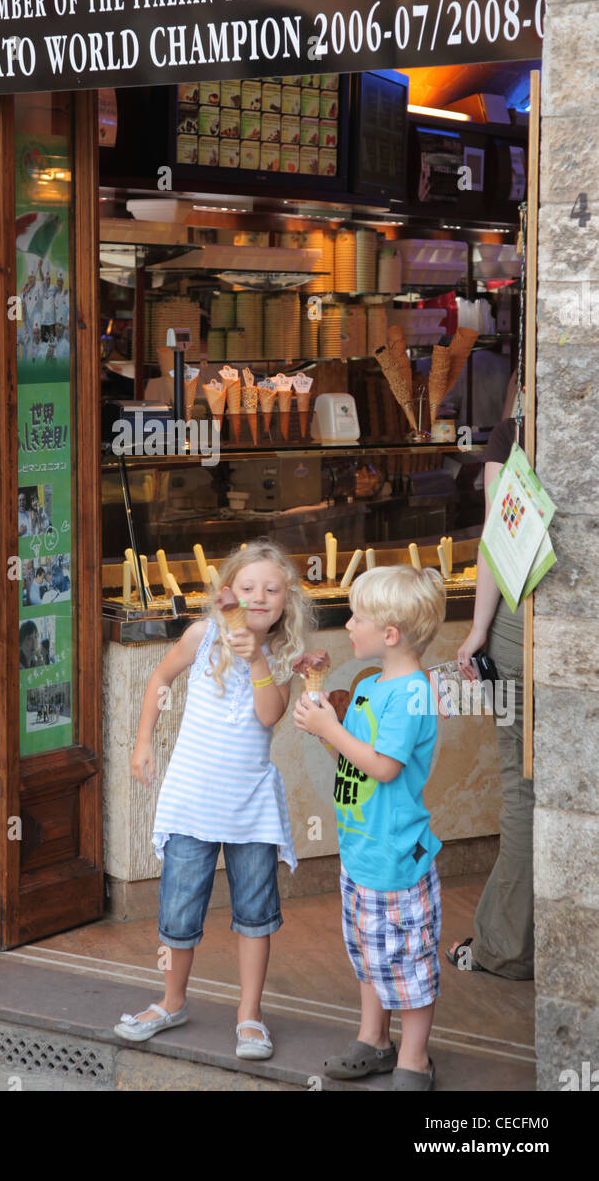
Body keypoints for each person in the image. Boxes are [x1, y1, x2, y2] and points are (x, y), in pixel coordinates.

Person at [114, 539, 310, 1060]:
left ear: (286, 601)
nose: (259, 596)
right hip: (190, 801)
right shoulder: (201, 637)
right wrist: (141, 743)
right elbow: (160, 678)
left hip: (250, 808)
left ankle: (249, 1015)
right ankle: (171, 1000)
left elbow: (269, 715)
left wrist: (258, 661)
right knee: (178, 912)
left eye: (271, 589)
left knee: (255, 913)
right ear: (230, 593)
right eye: (247, 588)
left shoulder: (283, 657)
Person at [295, 565, 447, 1091]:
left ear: (390, 634)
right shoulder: (369, 687)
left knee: (408, 961)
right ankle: (374, 1039)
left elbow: (383, 766)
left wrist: (331, 729)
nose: (348, 623)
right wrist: (321, 715)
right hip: (360, 850)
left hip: (397, 856)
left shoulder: (411, 694)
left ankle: (414, 1058)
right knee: (368, 951)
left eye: (357, 615)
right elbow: (351, 753)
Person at [449, 376, 532, 979]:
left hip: (519, 635)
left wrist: (477, 630)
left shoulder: (514, 436)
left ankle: (506, 947)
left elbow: (497, 541)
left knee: (524, 787)